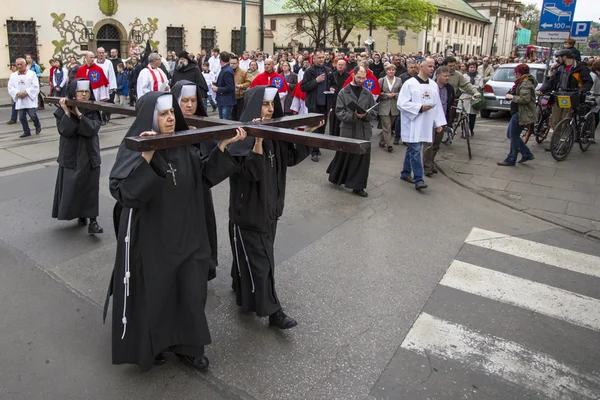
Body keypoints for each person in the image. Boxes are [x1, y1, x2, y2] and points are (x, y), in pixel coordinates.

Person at [105, 91, 247, 372]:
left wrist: (221, 146)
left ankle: (188, 347)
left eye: (172, 113)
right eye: (163, 114)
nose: (170, 118)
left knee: (190, 292)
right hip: (154, 237)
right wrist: (147, 154)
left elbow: (204, 176)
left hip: (188, 231)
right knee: (157, 293)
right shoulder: (136, 144)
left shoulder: (185, 142)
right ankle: (153, 345)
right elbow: (123, 192)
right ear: (150, 117)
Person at [227, 86, 317, 330]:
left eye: (271, 105)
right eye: (264, 105)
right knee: (262, 261)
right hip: (248, 212)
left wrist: (308, 134)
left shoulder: (276, 134)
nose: (268, 110)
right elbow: (251, 172)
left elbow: (290, 158)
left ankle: (239, 285)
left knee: (252, 257)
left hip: (271, 208)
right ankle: (274, 311)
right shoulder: (241, 136)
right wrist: (257, 140)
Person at [52, 79, 103, 234]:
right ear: (74, 93)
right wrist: (67, 112)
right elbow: (65, 131)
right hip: (71, 152)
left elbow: (92, 129)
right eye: (80, 92)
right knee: (72, 184)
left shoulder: (93, 109)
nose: (83, 94)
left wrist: (79, 114)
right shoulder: (62, 109)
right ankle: (80, 214)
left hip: (89, 152)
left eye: (86, 92)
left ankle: (92, 220)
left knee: (90, 185)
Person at [327, 66, 377, 197]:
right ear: (353, 75)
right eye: (359, 77)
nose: (361, 80)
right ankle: (336, 176)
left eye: (363, 78)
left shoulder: (367, 93)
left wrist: (366, 115)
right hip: (348, 130)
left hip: (363, 131)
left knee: (361, 159)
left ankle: (358, 186)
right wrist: (354, 116)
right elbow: (339, 112)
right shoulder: (344, 92)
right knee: (345, 156)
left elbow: (374, 111)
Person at [397, 58, 446, 190]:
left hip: (426, 122)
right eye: (429, 66)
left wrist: (438, 123)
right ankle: (419, 179)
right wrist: (419, 108)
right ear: (421, 67)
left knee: (412, 150)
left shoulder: (433, 85)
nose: (432, 69)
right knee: (415, 150)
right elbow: (402, 103)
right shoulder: (409, 84)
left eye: (433, 66)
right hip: (413, 122)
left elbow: (437, 106)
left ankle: (405, 173)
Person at [540, 49, 593, 130]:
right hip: (558, 96)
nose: (557, 59)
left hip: (572, 97)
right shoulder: (560, 68)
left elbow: (588, 82)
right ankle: (556, 139)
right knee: (555, 119)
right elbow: (551, 81)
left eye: (559, 57)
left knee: (566, 118)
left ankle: (566, 137)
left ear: (564, 57)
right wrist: (542, 90)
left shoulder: (580, 68)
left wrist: (581, 90)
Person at [497, 64, 536, 166]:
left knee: (513, 136)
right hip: (518, 112)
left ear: (519, 72)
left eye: (516, 72)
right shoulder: (522, 81)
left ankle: (511, 159)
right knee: (511, 135)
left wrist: (511, 97)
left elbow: (525, 99)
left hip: (521, 113)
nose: (514, 74)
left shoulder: (525, 83)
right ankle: (526, 153)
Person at [423, 66, 456, 176]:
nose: (447, 78)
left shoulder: (449, 88)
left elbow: (450, 103)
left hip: (442, 119)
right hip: (430, 118)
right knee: (429, 143)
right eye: (445, 76)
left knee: (436, 144)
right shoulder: (430, 87)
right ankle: (427, 166)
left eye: (448, 76)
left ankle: (431, 162)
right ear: (438, 76)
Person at [300, 50, 331, 161]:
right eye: (319, 57)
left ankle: (317, 147)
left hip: (325, 103)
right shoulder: (309, 71)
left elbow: (333, 84)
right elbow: (303, 87)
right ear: (314, 58)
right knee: (314, 127)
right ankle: (313, 151)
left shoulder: (328, 70)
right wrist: (316, 81)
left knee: (322, 126)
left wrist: (332, 89)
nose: (321, 59)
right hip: (314, 104)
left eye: (323, 57)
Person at [8, 58, 42, 138]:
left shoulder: (32, 74)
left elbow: (35, 86)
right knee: (22, 117)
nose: (19, 66)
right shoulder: (13, 75)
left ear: (25, 65)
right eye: (18, 64)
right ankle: (26, 131)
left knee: (32, 115)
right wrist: (17, 93)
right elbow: (10, 87)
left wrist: (26, 93)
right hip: (20, 99)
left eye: (21, 64)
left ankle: (37, 125)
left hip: (29, 98)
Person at [378, 64, 402, 152]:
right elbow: (378, 92)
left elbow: (402, 93)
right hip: (384, 105)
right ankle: (389, 145)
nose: (391, 71)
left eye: (393, 70)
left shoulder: (399, 80)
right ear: (386, 71)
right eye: (389, 70)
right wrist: (386, 95)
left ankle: (382, 141)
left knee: (388, 126)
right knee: (387, 126)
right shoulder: (382, 80)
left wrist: (395, 95)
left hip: (394, 106)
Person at [328, 59, 349, 137]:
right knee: (333, 120)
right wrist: (330, 88)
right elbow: (327, 86)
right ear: (336, 65)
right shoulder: (331, 75)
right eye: (339, 64)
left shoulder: (348, 76)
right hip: (334, 100)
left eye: (342, 64)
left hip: (344, 101)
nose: (340, 66)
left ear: (345, 66)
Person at [212, 51, 236, 120]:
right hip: (223, 100)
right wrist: (216, 83)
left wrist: (218, 89)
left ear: (220, 60)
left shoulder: (227, 71)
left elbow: (230, 87)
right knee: (222, 121)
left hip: (226, 100)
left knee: (225, 121)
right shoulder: (225, 69)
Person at [462, 61, 483, 136]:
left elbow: (480, 86)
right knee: (464, 115)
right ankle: (463, 131)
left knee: (473, 116)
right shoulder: (464, 76)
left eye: (474, 67)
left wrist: (473, 89)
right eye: (471, 67)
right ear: (468, 68)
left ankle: (471, 129)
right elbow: (461, 87)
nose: (472, 69)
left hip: (475, 97)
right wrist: (470, 88)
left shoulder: (479, 76)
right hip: (466, 96)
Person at [231, 57, 252, 121]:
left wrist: (241, 86)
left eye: (234, 63)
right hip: (231, 96)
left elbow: (249, 82)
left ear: (238, 63)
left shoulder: (243, 72)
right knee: (232, 115)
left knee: (239, 114)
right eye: (231, 63)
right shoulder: (228, 71)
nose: (232, 65)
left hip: (241, 96)